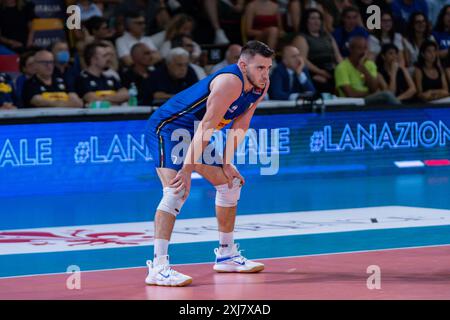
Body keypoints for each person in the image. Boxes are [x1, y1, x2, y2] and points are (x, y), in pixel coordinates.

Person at [143, 40, 273, 287]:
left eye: (268, 67)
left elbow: (240, 125)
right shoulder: (228, 82)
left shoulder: (260, 85)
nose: (265, 74)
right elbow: (207, 126)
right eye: (260, 68)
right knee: (176, 191)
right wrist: (189, 168)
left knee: (231, 183)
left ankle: (226, 255)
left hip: (194, 131)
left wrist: (226, 162)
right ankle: (158, 267)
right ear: (242, 65)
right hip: (169, 128)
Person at [334, 36, 400, 105]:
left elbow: (373, 88)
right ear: (351, 49)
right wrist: (370, 93)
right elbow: (350, 94)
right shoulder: (341, 67)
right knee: (386, 96)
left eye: (365, 48)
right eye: (359, 48)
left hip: (368, 101)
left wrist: (363, 69)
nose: (363, 52)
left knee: (387, 97)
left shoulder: (370, 64)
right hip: (352, 104)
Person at [292, 8, 342, 93]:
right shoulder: (301, 38)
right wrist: (320, 72)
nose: (317, 21)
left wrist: (343, 68)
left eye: (318, 18)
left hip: (332, 69)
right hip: (314, 71)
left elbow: (338, 56)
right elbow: (302, 60)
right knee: (322, 82)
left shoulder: (328, 36)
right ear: (306, 21)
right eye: (313, 18)